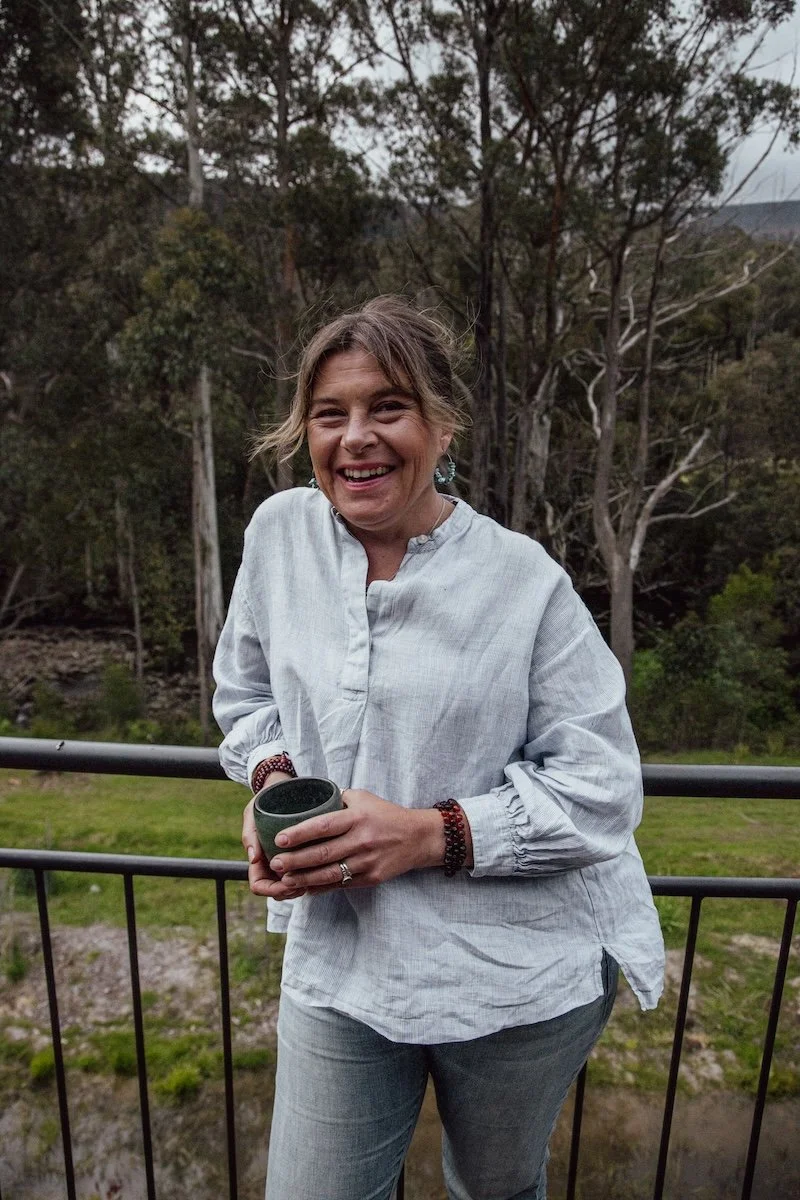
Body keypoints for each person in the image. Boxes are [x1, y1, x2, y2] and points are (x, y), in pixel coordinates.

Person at [212, 296, 664, 1200]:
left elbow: (602, 789)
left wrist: (427, 834)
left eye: (388, 407)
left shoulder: (523, 581)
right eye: (330, 414)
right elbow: (247, 694)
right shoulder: (278, 536)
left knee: (491, 1190)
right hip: (345, 956)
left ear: (441, 424)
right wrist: (274, 787)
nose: (356, 439)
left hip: (514, 974)